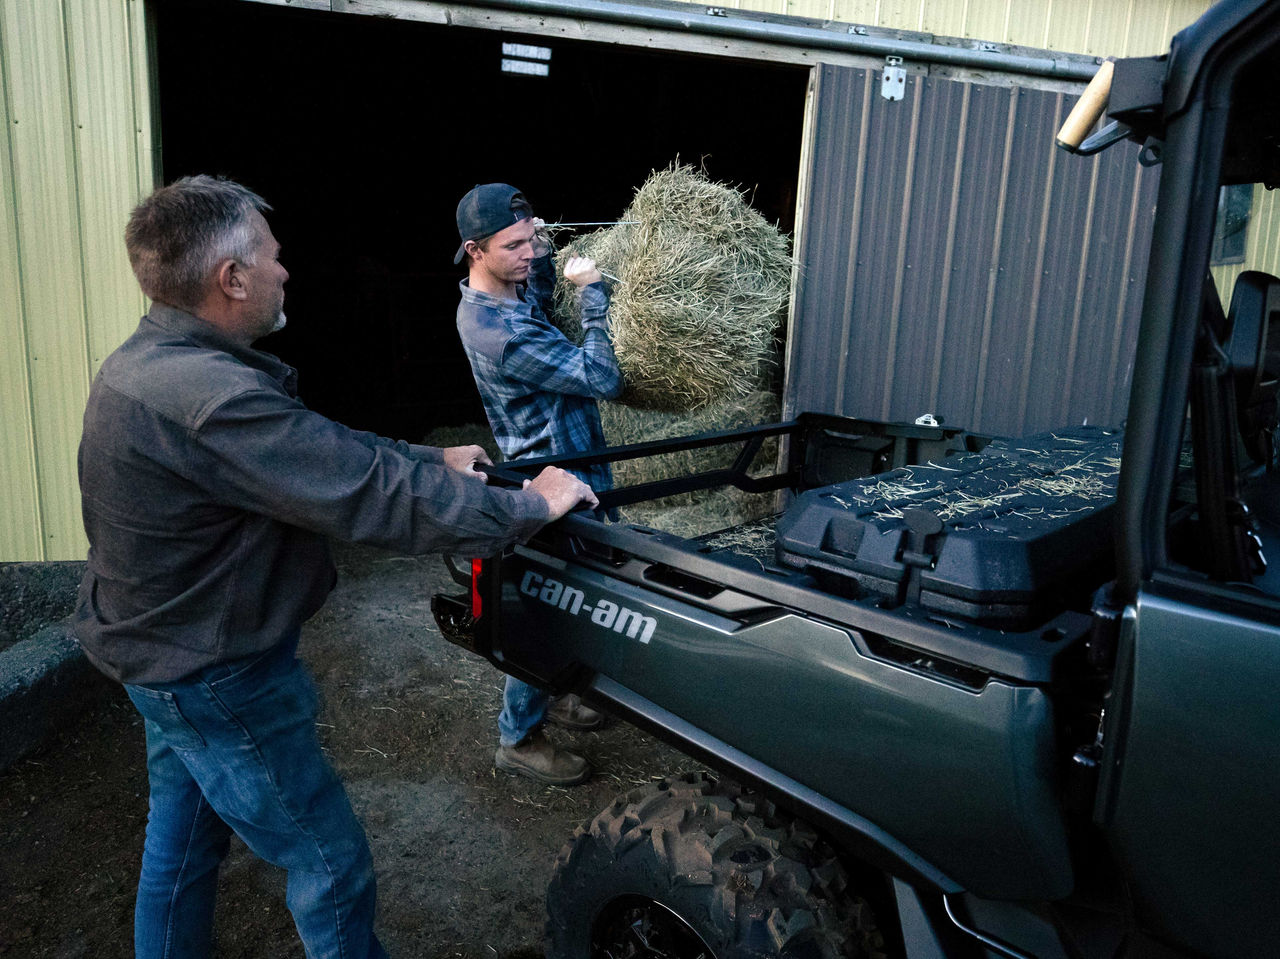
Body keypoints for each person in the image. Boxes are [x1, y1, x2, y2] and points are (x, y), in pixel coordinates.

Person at [73, 174, 597, 959]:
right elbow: (364, 492)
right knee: (332, 864)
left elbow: (313, 450)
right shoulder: (211, 397)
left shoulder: (153, 362)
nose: (286, 271)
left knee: (180, 853)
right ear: (232, 278)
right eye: (274, 258)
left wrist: (433, 457)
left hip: (159, 657)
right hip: (218, 673)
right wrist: (528, 507)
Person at [453, 183, 624, 787]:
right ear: (476, 250)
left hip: (570, 463)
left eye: (532, 238)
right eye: (515, 245)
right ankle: (518, 738)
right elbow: (601, 377)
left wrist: (545, 256)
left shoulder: (495, 300)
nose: (529, 252)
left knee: (575, 594)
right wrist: (595, 293)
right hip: (553, 479)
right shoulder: (504, 335)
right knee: (550, 608)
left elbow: (535, 296)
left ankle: (557, 695)